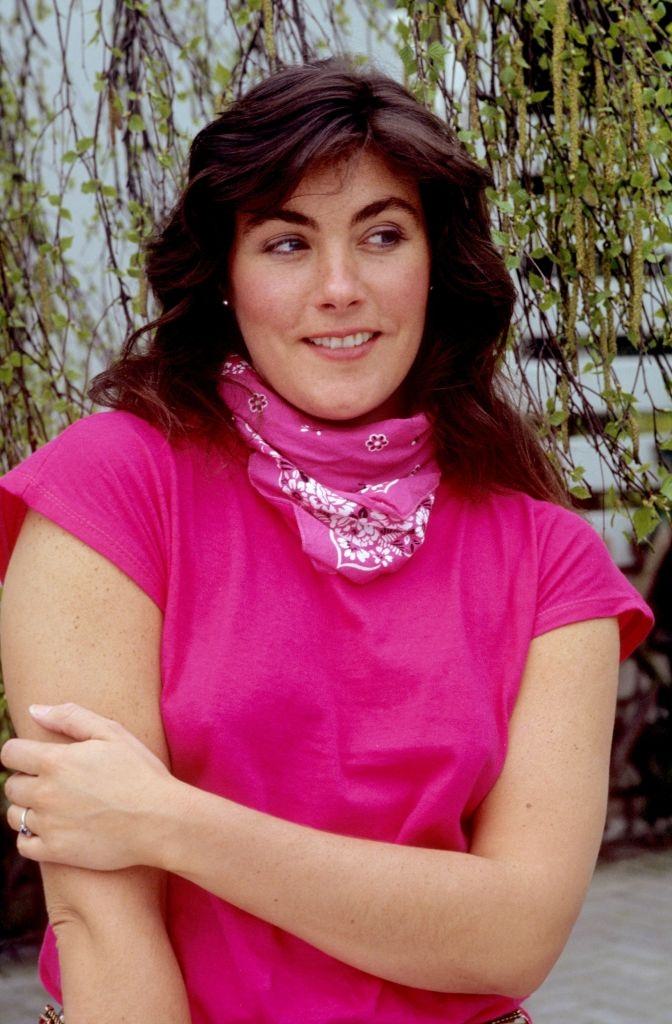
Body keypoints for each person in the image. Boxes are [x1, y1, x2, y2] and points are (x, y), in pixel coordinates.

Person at [0, 56, 655, 1024]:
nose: (340, 286)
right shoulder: (114, 486)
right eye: (286, 242)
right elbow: (103, 919)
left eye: (382, 234)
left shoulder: (552, 560)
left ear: (439, 264)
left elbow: (513, 934)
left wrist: (168, 821)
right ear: (225, 274)